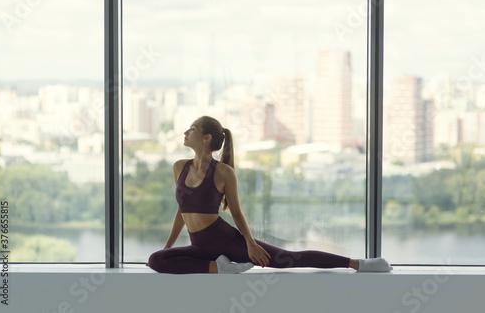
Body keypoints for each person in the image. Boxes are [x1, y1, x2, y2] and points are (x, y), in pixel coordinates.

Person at [147, 116, 392, 274]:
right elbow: (182, 209)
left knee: (288, 258)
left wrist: (250, 244)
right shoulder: (179, 167)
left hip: (223, 239)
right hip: (198, 245)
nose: (185, 132)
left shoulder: (224, 173)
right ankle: (218, 268)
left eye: (192, 129)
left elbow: (236, 211)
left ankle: (361, 264)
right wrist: (168, 247)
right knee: (158, 260)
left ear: (206, 137)